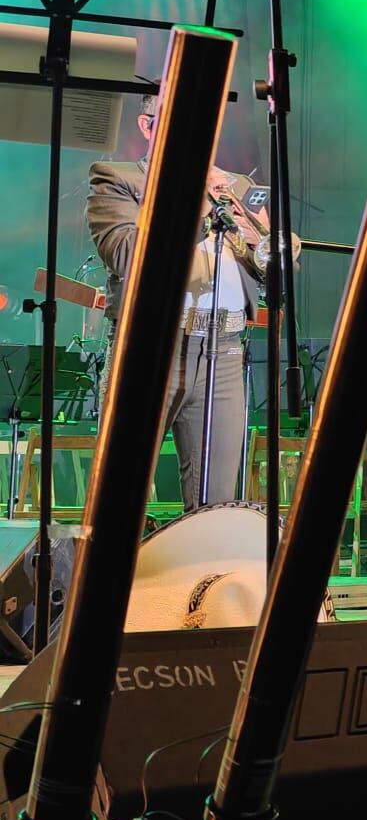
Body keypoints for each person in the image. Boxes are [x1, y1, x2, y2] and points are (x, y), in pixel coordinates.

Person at [86, 94, 295, 512]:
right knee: (121, 490)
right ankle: (120, 576)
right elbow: (127, 254)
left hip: (225, 348)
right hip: (150, 347)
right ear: (148, 126)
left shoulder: (234, 186)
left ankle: (199, 578)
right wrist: (200, 210)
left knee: (215, 502)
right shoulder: (118, 178)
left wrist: (271, 249)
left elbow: (259, 269)